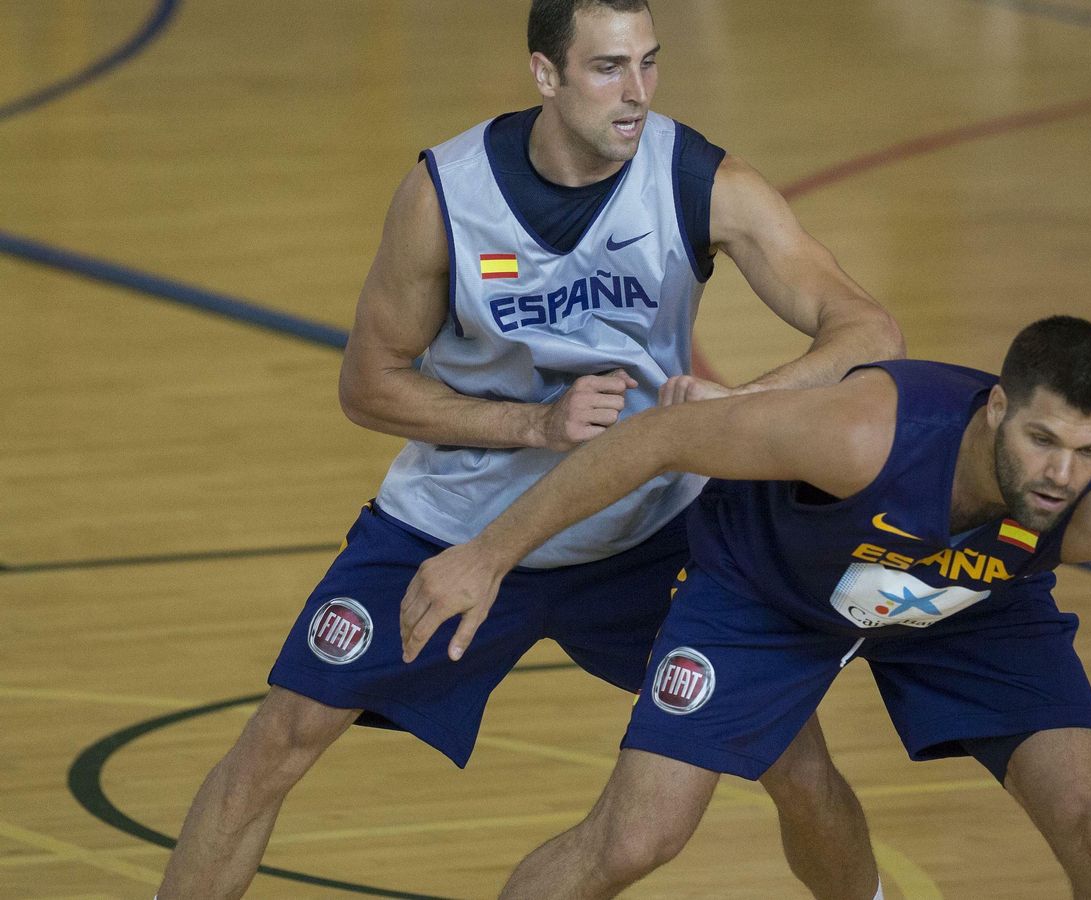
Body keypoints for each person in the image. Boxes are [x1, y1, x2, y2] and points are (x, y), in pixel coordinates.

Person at [157, 1, 902, 897]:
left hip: (645, 536)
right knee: (277, 741)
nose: (637, 96)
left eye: (649, 64)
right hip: (454, 529)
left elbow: (868, 331)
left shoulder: (699, 181)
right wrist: (534, 427)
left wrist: (732, 410)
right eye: (607, 69)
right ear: (545, 75)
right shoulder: (447, 194)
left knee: (796, 761)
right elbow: (368, 384)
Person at [399, 316, 1091, 899]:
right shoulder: (865, 434)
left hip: (976, 604)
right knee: (637, 839)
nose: (1059, 474)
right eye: (1041, 441)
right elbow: (655, 439)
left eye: (1086, 448)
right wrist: (487, 553)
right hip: (765, 590)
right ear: (996, 411)